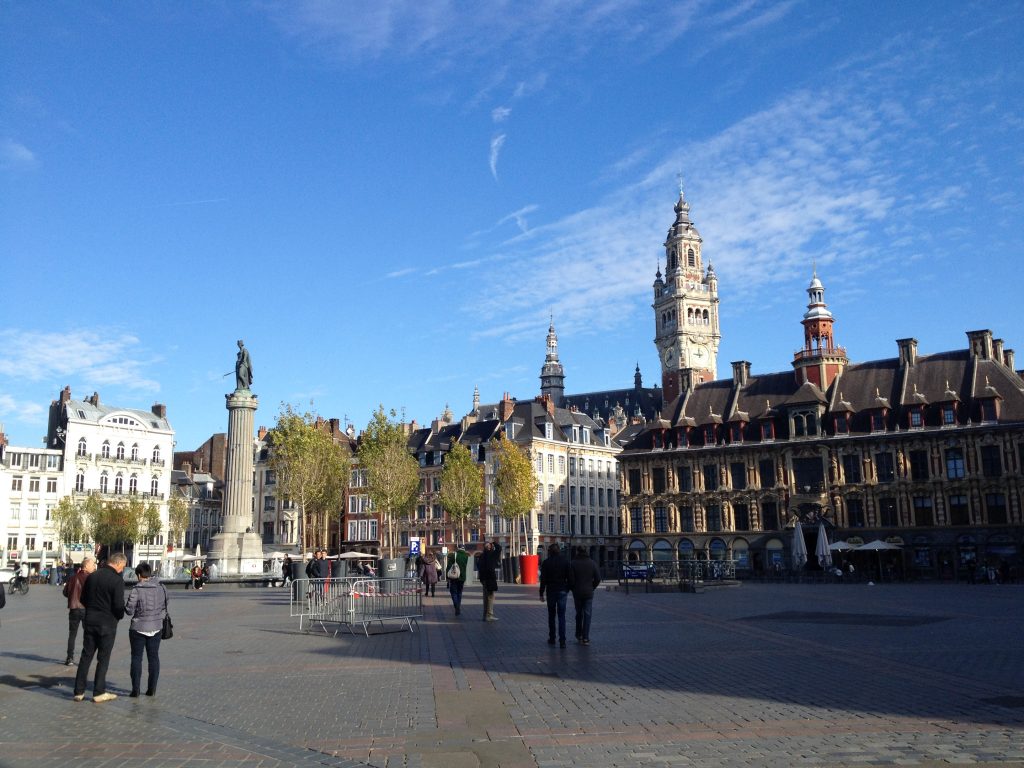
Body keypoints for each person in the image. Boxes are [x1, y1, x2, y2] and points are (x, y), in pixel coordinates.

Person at [73, 552, 127, 702]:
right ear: (117, 563)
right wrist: (119, 615)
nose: (122, 570)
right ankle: (98, 692)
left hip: (90, 620)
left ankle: (79, 691)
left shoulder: (93, 576)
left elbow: (83, 598)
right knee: (103, 658)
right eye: (122, 567)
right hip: (107, 623)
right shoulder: (117, 580)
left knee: (86, 656)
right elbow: (118, 605)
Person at [123, 562, 168, 697]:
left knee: (136, 658)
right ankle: (152, 689)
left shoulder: (136, 590)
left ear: (138, 575)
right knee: (154, 658)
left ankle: (135, 690)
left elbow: (129, 610)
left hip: (138, 628)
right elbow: (166, 604)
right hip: (156, 626)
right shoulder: (162, 588)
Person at [63, 556, 97, 665]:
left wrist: (72, 596)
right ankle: (85, 658)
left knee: (72, 634)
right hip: (86, 609)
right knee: (87, 635)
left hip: (74, 608)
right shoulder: (91, 578)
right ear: (86, 566)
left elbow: (65, 592)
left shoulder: (73, 578)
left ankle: (69, 658)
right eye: (92, 565)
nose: (94, 567)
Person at [539, 543, 573, 648]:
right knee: (562, 616)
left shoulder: (546, 563)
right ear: (559, 551)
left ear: (550, 552)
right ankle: (562, 641)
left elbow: (543, 580)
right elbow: (570, 577)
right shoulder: (566, 561)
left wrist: (541, 593)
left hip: (551, 591)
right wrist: (567, 589)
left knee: (551, 615)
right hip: (562, 590)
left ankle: (552, 638)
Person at [569, 547, 601, 645]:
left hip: (577, 592)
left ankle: (578, 635)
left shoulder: (573, 563)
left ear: (578, 552)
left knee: (579, 614)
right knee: (587, 615)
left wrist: (573, 588)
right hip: (588, 592)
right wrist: (592, 587)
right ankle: (586, 638)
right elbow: (598, 578)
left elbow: (570, 579)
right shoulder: (592, 563)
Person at [479, 539, 502, 622]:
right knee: (490, 597)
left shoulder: (482, 556)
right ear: (490, 547)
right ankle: (489, 615)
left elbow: (479, 568)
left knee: (485, 598)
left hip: (484, 579)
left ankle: (485, 615)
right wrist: (494, 542)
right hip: (490, 578)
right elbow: (499, 548)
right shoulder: (492, 554)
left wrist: (481, 579)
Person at [446, 544, 470, 616]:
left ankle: (456, 606)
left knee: (453, 592)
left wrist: (447, 577)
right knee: (459, 593)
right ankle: (458, 607)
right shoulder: (466, 556)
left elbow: (449, 566)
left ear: (458, 548)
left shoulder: (454, 555)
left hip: (454, 577)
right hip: (462, 577)